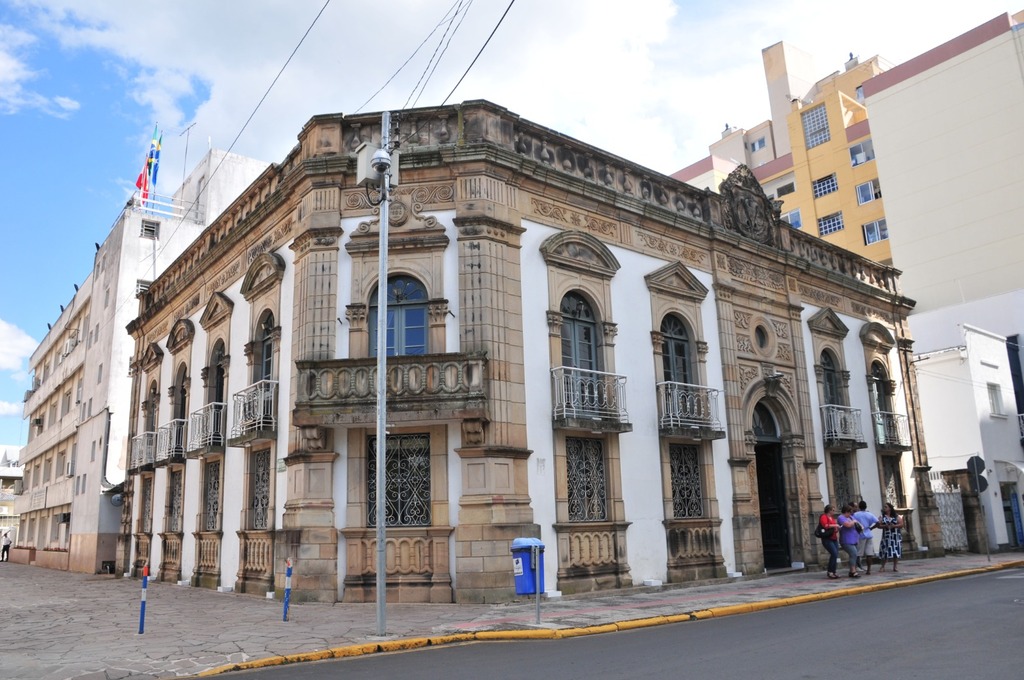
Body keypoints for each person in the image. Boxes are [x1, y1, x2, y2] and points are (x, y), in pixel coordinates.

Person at [853, 500, 879, 575]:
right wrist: (871, 528)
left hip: (860, 533)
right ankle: (869, 569)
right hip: (868, 532)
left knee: (858, 552)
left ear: (859, 507)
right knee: (869, 553)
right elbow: (878, 522)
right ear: (866, 506)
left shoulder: (856, 514)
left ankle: (856, 567)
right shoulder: (869, 514)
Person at [836, 504, 862, 578]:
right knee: (853, 553)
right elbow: (848, 525)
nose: (851, 514)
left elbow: (857, 523)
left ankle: (853, 570)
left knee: (855, 555)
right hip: (846, 540)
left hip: (854, 539)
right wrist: (853, 522)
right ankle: (853, 571)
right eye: (850, 512)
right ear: (846, 511)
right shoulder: (841, 517)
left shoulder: (851, 517)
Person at [878, 502, 904, 572]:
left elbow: (901, 524)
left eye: (886, 507)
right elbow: (878, 525)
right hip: (886, 537)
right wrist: (885, 526)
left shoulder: (896, 516)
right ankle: (882, 566)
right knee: (885, 551)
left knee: (895, 551)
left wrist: (894, 526)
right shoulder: (882, 516)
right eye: (884, 507)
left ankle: (895, 566)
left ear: (890, 508)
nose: (884, 508)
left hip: (895, 537)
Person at [818, 504, 841, 579]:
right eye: (833, 510)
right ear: (829, 510)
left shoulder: (832, 518)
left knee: (835, 554)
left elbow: (833, 527)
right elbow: (825, 525)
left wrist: (837, 528)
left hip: (834, 538)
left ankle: (833, 571)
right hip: (827, 538)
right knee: (834, 553)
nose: (834, 512)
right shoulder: (823, 516)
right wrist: (835, 526)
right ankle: (830, 571)